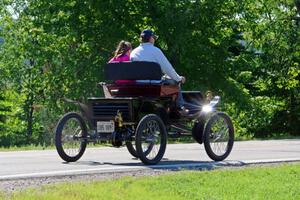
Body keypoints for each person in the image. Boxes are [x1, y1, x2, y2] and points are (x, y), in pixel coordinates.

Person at [130, 29, 191, 113]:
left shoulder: (133, 52)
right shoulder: (155, 51)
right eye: (154, 38)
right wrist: (179, 78)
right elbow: (168, 69)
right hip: (154, 87)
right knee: (175, 82)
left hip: (138, 86)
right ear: (151, 38)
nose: (154, 40)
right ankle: (180, 107)